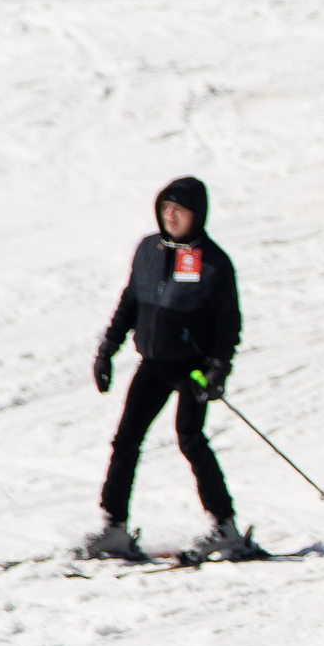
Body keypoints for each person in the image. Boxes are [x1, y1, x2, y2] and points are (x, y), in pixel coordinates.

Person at [83, 176, 254, 561]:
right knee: (125, 441)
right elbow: (131, 302)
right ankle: (114, 528)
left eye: (179, 210)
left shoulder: (213, 262)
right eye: (165, 208)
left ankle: (225, 527)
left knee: (191, 439)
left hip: (192, 367)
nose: (171, 216)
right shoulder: (148, 249)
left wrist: (217, 369)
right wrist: (107, 349)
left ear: (198, 215)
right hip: (154, 363)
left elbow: (229, 323)